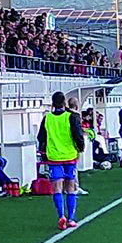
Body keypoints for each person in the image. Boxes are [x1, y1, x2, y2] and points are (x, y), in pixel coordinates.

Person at [40, 90, 83, 231]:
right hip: (69, 156)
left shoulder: (47, 118)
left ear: (52, 103)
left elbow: (41, 137)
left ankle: (61, 215)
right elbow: (77, 134)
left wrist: (44, 151)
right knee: (71, 186)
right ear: (65, 102)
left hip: (54, 157)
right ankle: (70, 218)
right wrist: (80, 148)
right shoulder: (70, 117)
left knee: (57, 188)